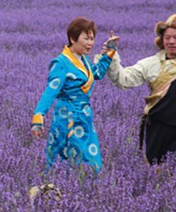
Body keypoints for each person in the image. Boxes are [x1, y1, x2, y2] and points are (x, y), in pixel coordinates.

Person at [106, 13, 176, 167]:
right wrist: (111, 55)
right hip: (156, 132)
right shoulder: (151, 63)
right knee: (154, 176)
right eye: (167, 37)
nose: (171, 41)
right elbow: (123, 79)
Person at [30, 18, 116, 172]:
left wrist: (109, 52)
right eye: (86, 38)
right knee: (65, 157)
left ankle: (86, 191)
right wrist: (38, 115)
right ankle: (60, 190)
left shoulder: (83, 60)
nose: (90, 43)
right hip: (67, 117)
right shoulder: (61, 63)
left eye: (92, 39)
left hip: (84, 116)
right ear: (72, 38)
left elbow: (96, 73)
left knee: (89, 157)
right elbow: (51, 91)